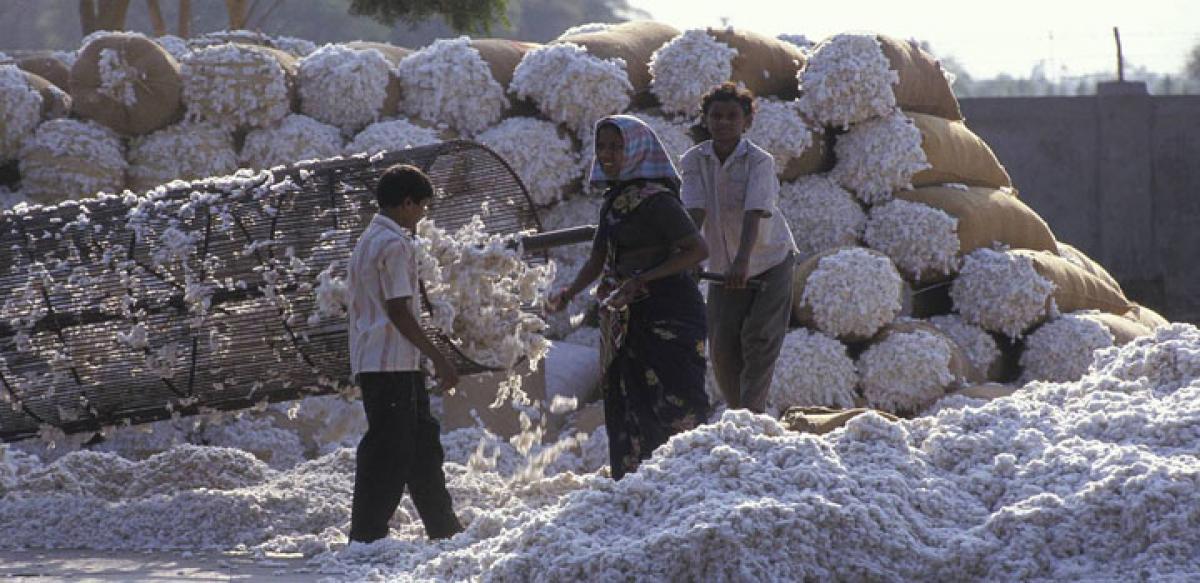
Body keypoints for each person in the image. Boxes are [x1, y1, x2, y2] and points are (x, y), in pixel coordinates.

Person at [546, 115, 712, 480]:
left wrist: (643, 280)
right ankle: (638, 481)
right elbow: (597, 258)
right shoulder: (614, 201)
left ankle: (687, 478)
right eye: (602, 146)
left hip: (669, 314)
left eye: (617, 147)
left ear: (637, 150)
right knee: (630, 397)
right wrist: (568, 293)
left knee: (674, 398)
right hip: (628, 314)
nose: (607, 154)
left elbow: (696, 249)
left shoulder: (658, 202)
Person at [345, 164, 463, 543]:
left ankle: (444, 528)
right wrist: (439, 356)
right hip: (390, 362)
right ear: (407, 204)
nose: (423, 216)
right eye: (423, 208)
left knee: (422, 445)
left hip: (386, 361)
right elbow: (399, 310)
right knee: (389, 449)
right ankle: (366, 536)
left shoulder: (368, 240)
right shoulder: (394, 244)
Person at [680, 82, 797, 414]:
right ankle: (738, 413)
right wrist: (688, 256)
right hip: (721, 263)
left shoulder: (759, 161)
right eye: (716, 116)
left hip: (768, 258)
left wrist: (743, 261)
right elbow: (694, 210)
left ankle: (752, 416)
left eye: (733, 116)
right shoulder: (694, 160)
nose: (724, 123)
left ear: (747, 122)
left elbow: (755, 210)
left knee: (759, 339)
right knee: (721, 346)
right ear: (706, 119)